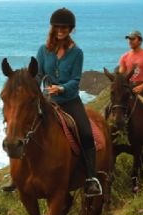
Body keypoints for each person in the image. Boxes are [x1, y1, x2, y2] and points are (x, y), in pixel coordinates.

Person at [36, 8, 102, 197]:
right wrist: (30, 88)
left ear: (71, 29)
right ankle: (18, 175)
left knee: (87, 133)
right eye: (57, 26)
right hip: (48, 101)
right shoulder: (43, 49)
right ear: (53, 27)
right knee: (24, 128)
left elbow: (75, 80)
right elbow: (39, 74)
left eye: (64, 27)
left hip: (69, 100)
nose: (60, 29)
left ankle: (90, 179)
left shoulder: (77, 52)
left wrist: (61, 88)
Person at [119, 31, 143, 95]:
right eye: (129, 39)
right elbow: (120, 75)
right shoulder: (124, 57)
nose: (130, 41)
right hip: (129, 87)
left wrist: (142, 86)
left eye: (133, 39)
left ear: (140, 41)